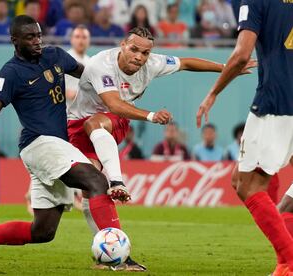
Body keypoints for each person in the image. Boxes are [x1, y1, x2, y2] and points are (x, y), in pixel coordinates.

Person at [66, 26, 256, 271]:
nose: (139, 57)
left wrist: (227, 68)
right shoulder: (100, 64)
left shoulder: (153, 63)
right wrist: (152, 115)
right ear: (123, 44)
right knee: (91, 187)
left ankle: (117, 185)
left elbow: (187, 62)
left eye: (145, 53)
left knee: (97, 129)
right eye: (134, 49)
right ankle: (111, 256)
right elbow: (113, 103)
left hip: (110, 123)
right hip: (78, 126)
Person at [0, 15, 126, 268]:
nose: (37, 41)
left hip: (58, 146)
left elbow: (89, 76)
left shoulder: (55, 56)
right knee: (96, 180)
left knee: (43, 231)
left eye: (39, 35)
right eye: (30, 37)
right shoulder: (10, 73)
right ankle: (118, 259)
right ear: (14, 40)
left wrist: (119, 89)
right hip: (39, 143)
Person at [195, 0, 293, 274]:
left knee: (246, 185)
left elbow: (241, 53)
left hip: (278, 101)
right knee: (269, 194)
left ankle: (289, 262)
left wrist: (213, 92)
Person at [65, 25, 90, 103]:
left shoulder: (90, 61)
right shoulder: (64, 59)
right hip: (67, 109)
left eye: (84, 37)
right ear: (71, 39)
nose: (81, 40)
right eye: (77, 37)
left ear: (89, 40)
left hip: (85, 109)